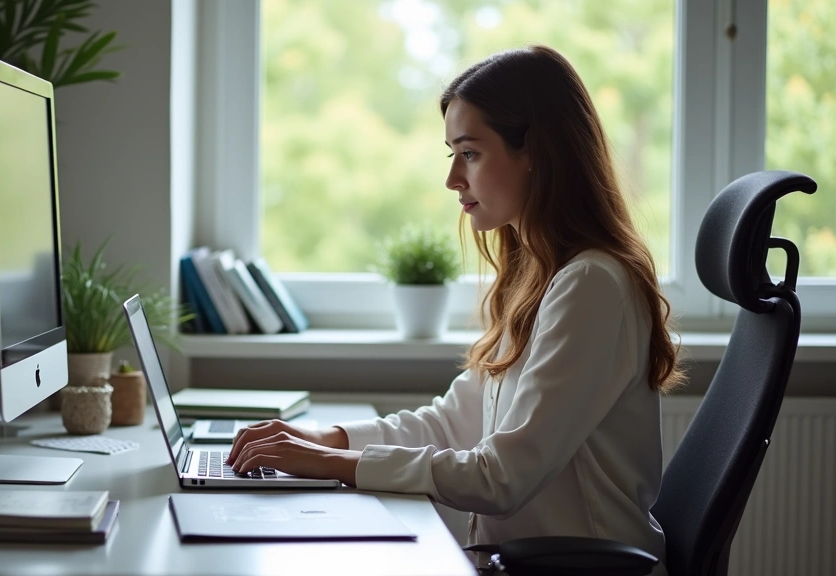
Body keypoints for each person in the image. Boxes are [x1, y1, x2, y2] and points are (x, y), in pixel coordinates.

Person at [227, 45, 683, 573]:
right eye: (453, 154)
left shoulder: (592, 286)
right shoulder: (537, 276)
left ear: (536, 150)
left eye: (470, 153)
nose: (452, 180)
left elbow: (501, 476)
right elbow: (452, 423)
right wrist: (325, 439)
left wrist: (334, 464)